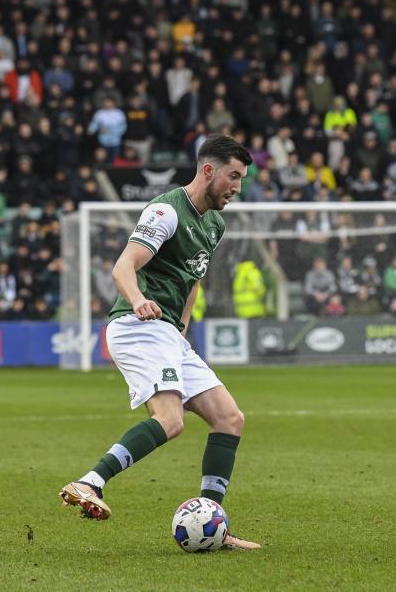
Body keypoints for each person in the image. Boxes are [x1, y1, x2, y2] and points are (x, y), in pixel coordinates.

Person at [59, 135, 260, 550]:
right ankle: (88, 482)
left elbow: (192, 279)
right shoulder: (166, 211)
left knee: (229, 418)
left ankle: (211, 523)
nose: (237, 187)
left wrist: (183, 326)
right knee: (171, 421)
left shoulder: (215, 224)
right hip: (136, 325)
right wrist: (138, 300)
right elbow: (123, 265)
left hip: (168, 331)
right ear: (209, 171)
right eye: (234, 177)